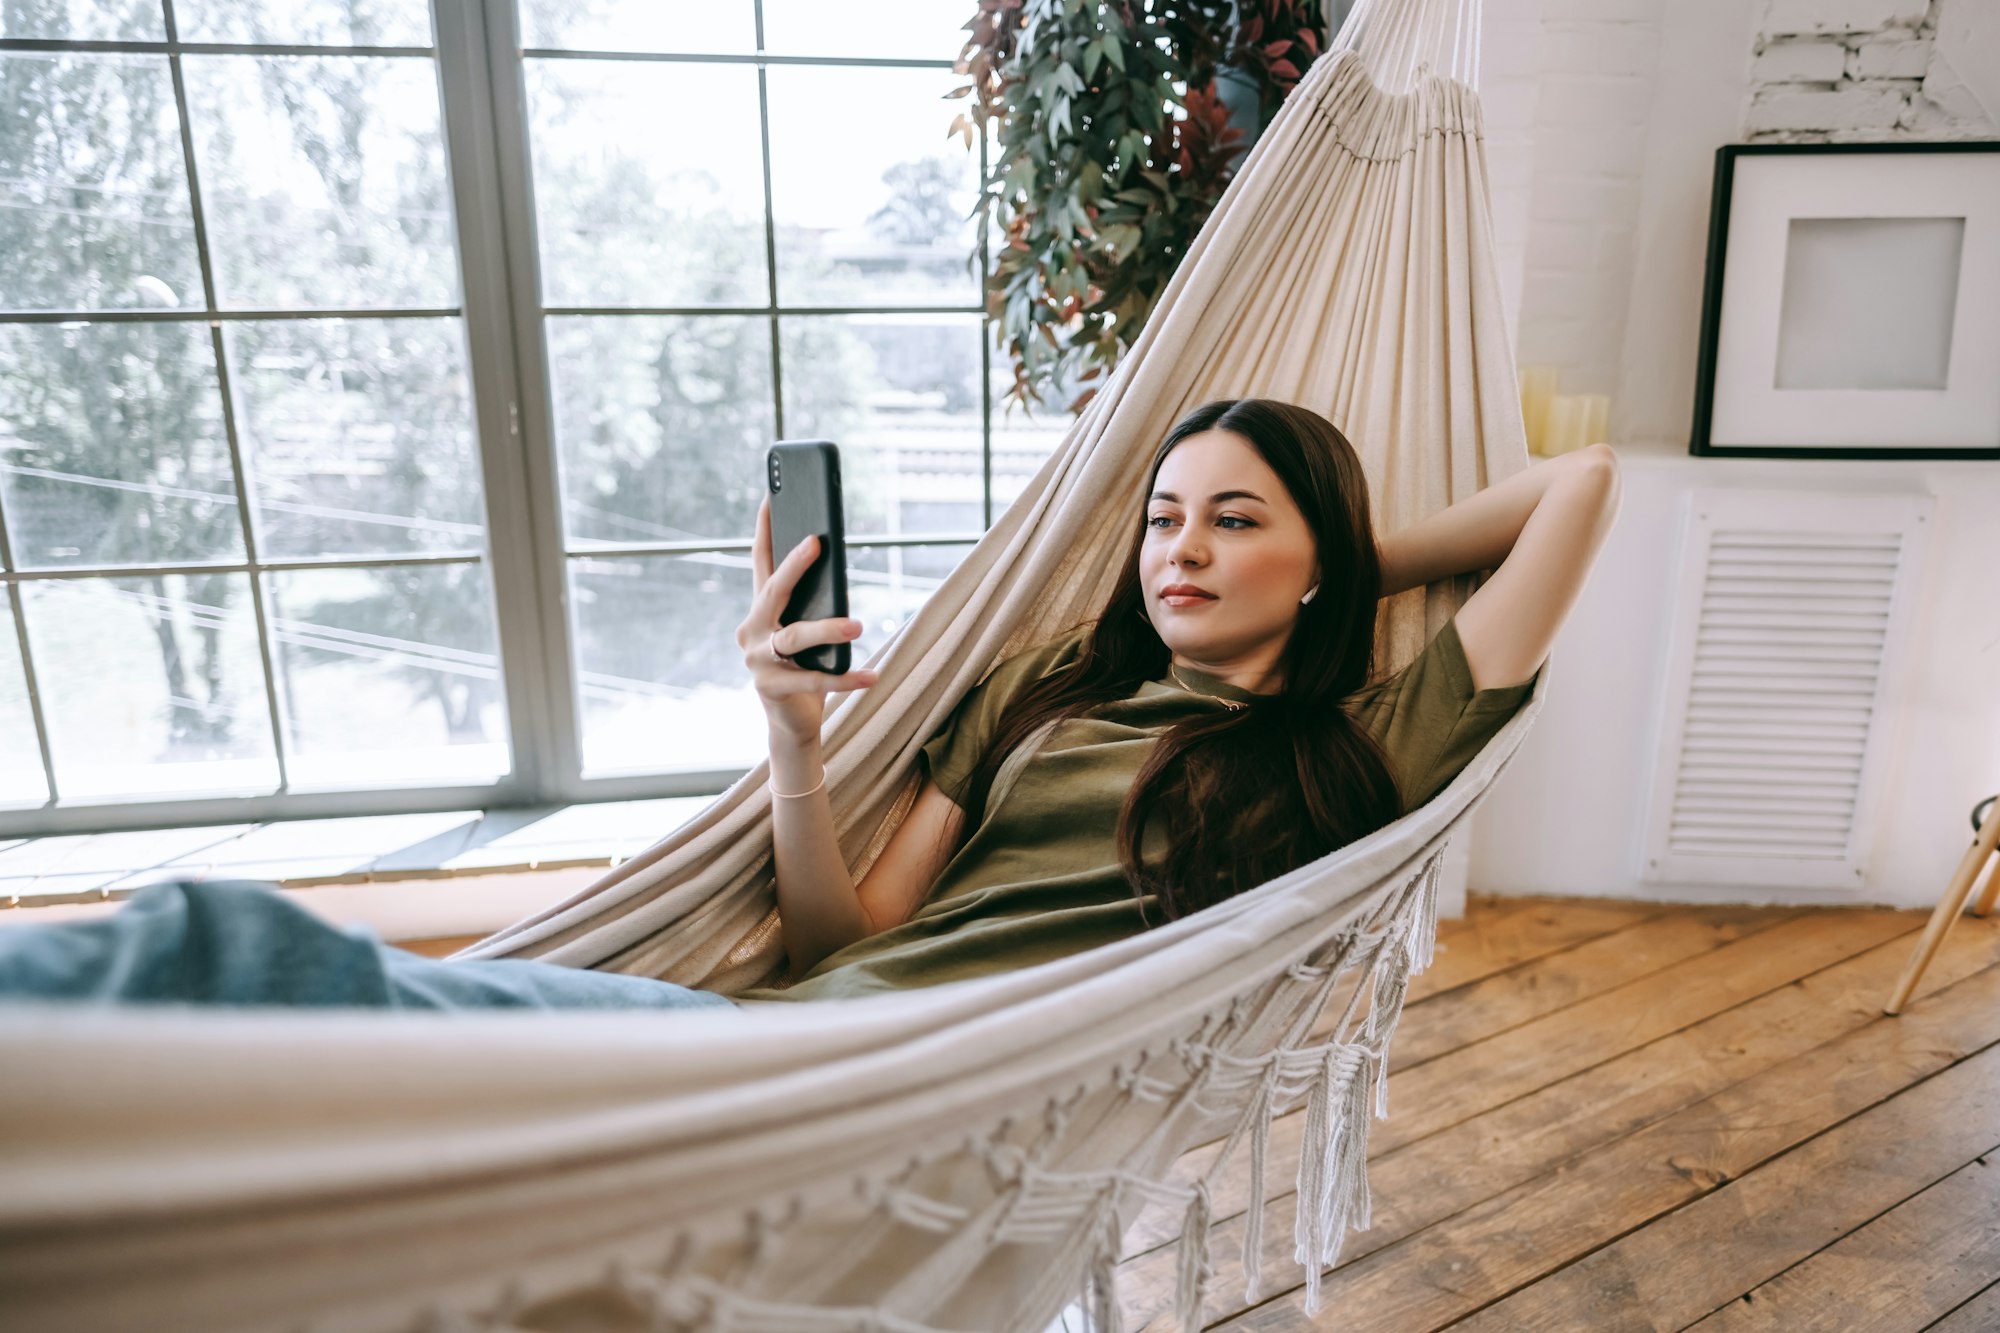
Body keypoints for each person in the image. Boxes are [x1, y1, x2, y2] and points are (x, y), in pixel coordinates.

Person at [0, 399, 1620, 1011]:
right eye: (1161, 517)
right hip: (783, 1036)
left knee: (227, 974)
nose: (1179, 547)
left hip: (922, 1083)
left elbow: (1581, 487)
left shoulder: (1365, 746)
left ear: (1321, 556)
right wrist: (791, 741)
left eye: (1236, 516)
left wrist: (1350, 547)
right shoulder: (1034, 688)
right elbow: (846, 939)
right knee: (225, 962)